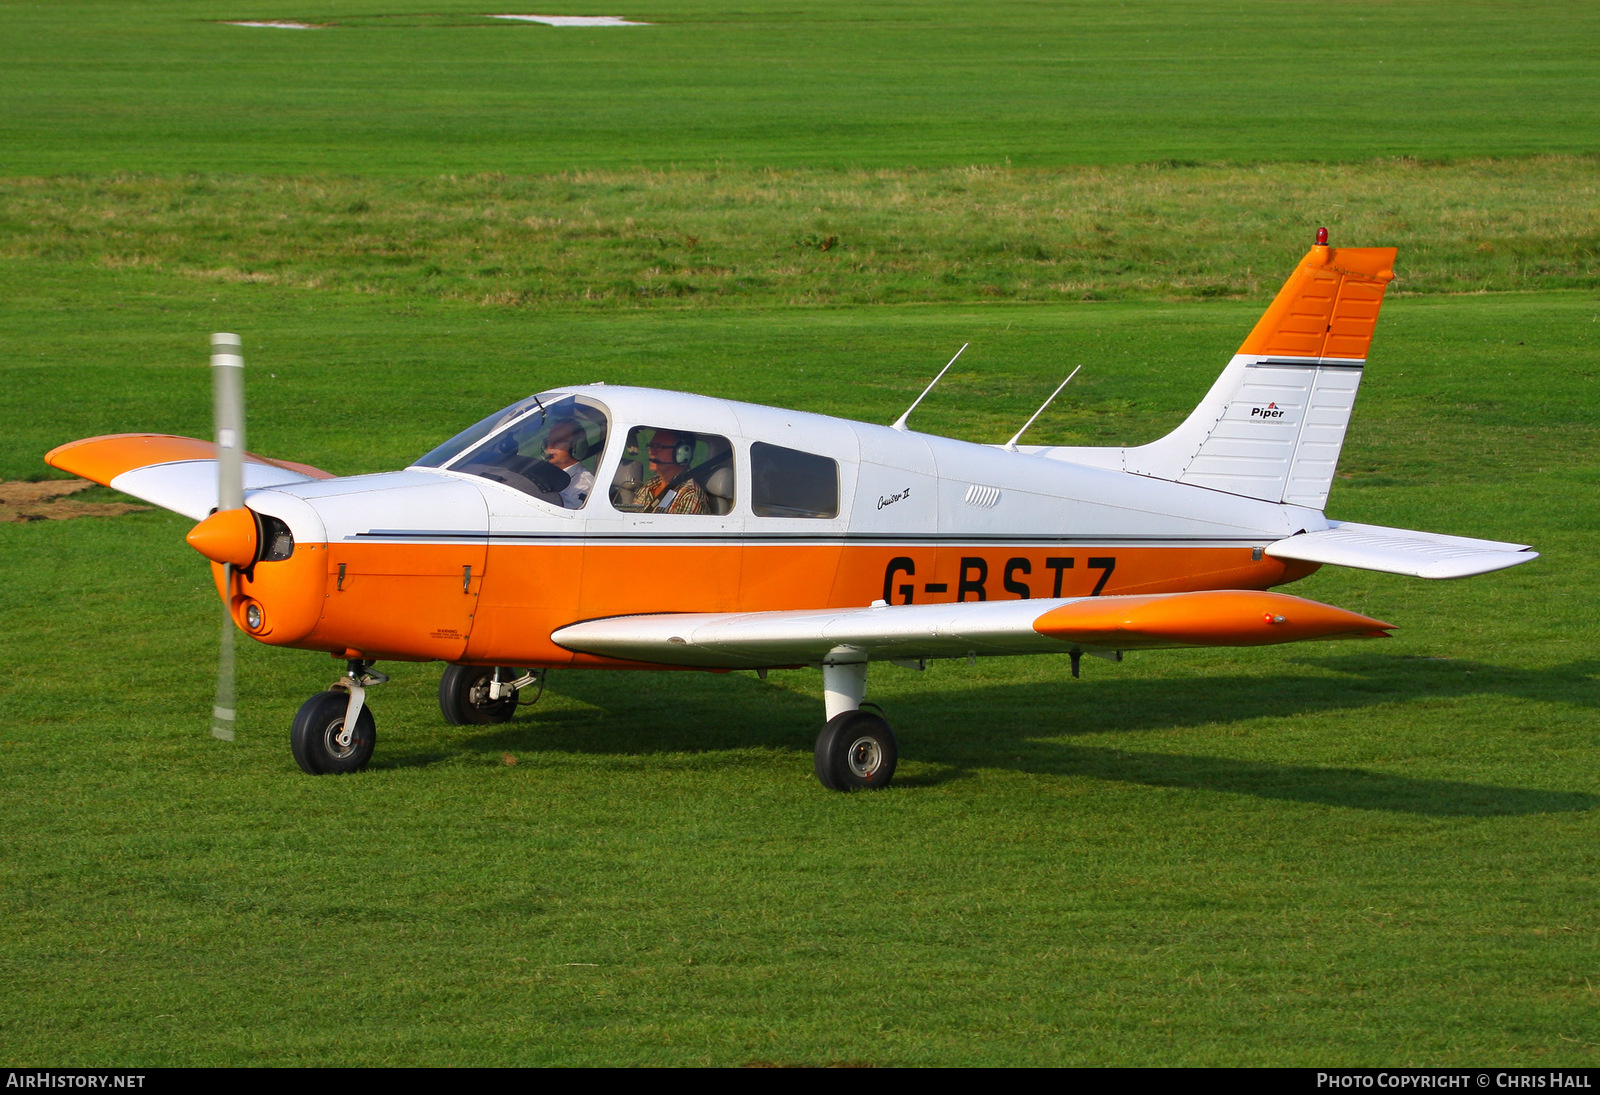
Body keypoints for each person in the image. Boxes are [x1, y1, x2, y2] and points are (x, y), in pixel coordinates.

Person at [635, 428, 707, 514]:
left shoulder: (689, 496)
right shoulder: (652, 484)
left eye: (659, 447)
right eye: (651, 446)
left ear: (683, 453)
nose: (651, 451)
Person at [543, 420, 595, 509]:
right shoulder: (544, 474)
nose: (550, 446)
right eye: (549, 441)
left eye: (558, 441)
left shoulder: (584, 486)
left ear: (577, 447)